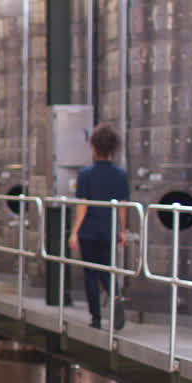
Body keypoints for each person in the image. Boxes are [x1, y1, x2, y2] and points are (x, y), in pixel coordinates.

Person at [69, 122, 130, 330]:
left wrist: (74, 232)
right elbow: (123, 207)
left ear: (93, 146)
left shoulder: (85, 174)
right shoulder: (121, 175)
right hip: (108, 230)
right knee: (107, 269)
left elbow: (82, 206)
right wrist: (122, 230)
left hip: (89, 230)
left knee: (91, 274)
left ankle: (95, 318)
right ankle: (116, 297)